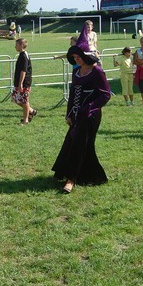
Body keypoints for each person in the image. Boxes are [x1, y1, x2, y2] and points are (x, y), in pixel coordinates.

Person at [52, 45, 111, 193]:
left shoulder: (96, 71)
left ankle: (71, 179)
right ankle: (91, 174)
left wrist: (89, 108)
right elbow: (72, 94)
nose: (76, 60)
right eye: (74, 58)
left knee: (80, 144)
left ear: (86, 56)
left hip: (91, 115)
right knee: (72, 141)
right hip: (76, 114)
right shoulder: (77, 72)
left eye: (78, 57)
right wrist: (69, 113)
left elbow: (105, 94)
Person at [11, 38, 37, 125]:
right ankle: (31, 111)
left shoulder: (24, 56)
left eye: (16, 45)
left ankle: (25, 120)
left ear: (21, 45)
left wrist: (21, 83)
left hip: (24, 83)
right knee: (15, 99)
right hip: (19, 82)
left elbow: (24, 71)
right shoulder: (21, 55)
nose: (15, 47)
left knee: (24, 101)